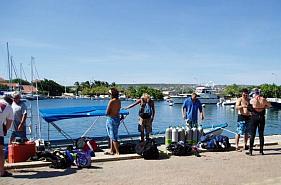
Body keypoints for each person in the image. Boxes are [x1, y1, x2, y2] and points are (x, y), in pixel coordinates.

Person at [247, 89, 271, 156]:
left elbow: (248, 108)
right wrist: (263, 107)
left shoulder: (252, 100)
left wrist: (255, 108)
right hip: (261, 117)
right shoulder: (263, 99)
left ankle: (250, 151)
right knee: (261, 134)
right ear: (260, 93)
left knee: (252, 134)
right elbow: (270, 106)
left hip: (254, 117)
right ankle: (261, 151)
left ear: (255, 93)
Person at [0, 95, 14, 177]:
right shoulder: (9, 107)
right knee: (0, 152)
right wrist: (4, 131)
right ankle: (1, 171)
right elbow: (8, 124)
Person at [105, 88, 121, 155]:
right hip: (117, 118)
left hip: (111, 119)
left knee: (113, 136)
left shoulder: (111, 101)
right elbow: (118, 110)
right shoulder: (119, 101)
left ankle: (117, 152)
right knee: (113, 135)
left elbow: (107, 112)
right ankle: (111, 150)